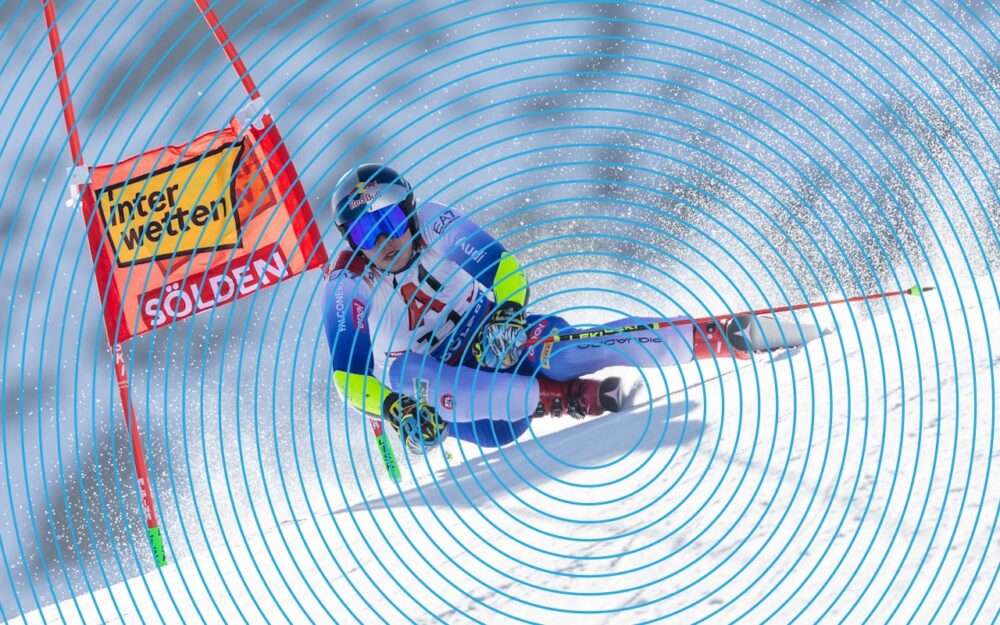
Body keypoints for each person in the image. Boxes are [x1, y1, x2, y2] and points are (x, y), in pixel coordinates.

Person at [322, 164, 767, 455]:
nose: (384, 242)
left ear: (411, 212)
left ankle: (712, 337)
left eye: (391, 223)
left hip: (494, 339)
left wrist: (506, 315)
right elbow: (348, 378)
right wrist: (393, 408)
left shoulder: (439, 221)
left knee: (567, 352)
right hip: (446, 389)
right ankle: (562, 398)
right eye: (366, 232)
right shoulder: (346, 282)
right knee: (448, 392)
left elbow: (506, 272)